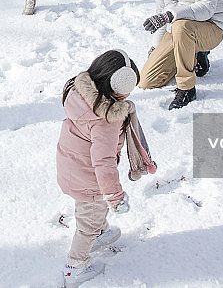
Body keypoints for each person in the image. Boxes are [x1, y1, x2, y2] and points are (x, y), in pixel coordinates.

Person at [56, 49, 138, 287]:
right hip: (90, 178)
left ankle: (101, 232)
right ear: (118, 89)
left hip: (74, 168)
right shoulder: (106, 120)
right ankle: (74, 267)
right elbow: (104, 162)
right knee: (87, 224)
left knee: (92, 210)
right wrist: (114, 195)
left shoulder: (80, 93)